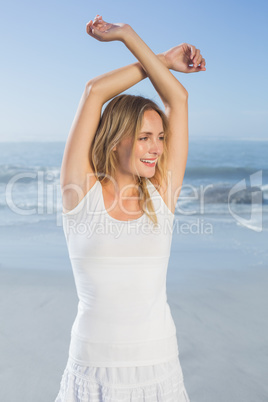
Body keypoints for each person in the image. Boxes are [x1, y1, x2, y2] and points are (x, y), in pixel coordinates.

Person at [55, 15, 206, 402]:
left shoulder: (162, 194)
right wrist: (137, 44)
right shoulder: (80, 194)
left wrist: (141, 47)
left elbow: (179, 99)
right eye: (143, 137)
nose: (156, 147)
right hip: (91, 371)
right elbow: (94, 91)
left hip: (159, 370)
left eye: (159, 137)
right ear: (115, 140)